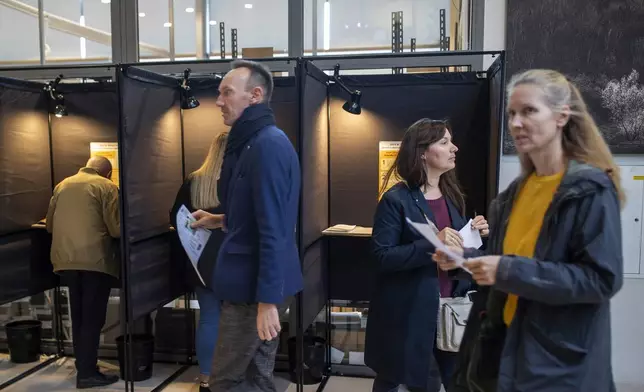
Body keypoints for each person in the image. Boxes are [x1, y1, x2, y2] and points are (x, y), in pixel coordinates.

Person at [434, 69, 624, 392]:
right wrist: (462, 260)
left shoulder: (590, 190)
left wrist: (507, 269)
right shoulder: (513, 195)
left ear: (562, 116)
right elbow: (500, 261)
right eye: (512, 114)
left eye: (529, 111)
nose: (516, 123)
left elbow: (600, 279)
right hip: (506, 354)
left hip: (558, 365)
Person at [190, 60, 302, 392]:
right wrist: (221, 219)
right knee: (255, 378)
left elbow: (275, 229)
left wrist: (267, 302)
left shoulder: (266, 144)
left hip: (253, 289)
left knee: (226, 380)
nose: (219, 101)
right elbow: (259, 215)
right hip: (250, 284)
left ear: (254, 95)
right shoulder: (250, 142)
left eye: (227, 93)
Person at [365, 118, 489, 392]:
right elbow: (382, 256)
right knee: (394, 379)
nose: (454, 148)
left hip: (451, 308)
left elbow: (457, 249)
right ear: (422, 152)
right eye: (444, 142)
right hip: (409, 313)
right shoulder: (396, 200)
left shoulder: (452, 195)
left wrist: (476, 235)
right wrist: (433, 244)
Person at [45, 156, 120, 389]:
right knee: (92, 319)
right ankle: (87, 374)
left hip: (64, 261)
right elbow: (116, 229)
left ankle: (84, 367)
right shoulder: (107, 187)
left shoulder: (63, 184)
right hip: (94, 261)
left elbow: (49, 225)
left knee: (78, 317)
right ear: (107, 173)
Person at [170, 132, 228, 392]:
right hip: (232, 258)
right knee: (237, 319)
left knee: (209, 318)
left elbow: (176, 217)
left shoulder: (195, 180)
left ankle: (205, 378)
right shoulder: (236, 180)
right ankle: (231, 377)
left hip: (201, 260)